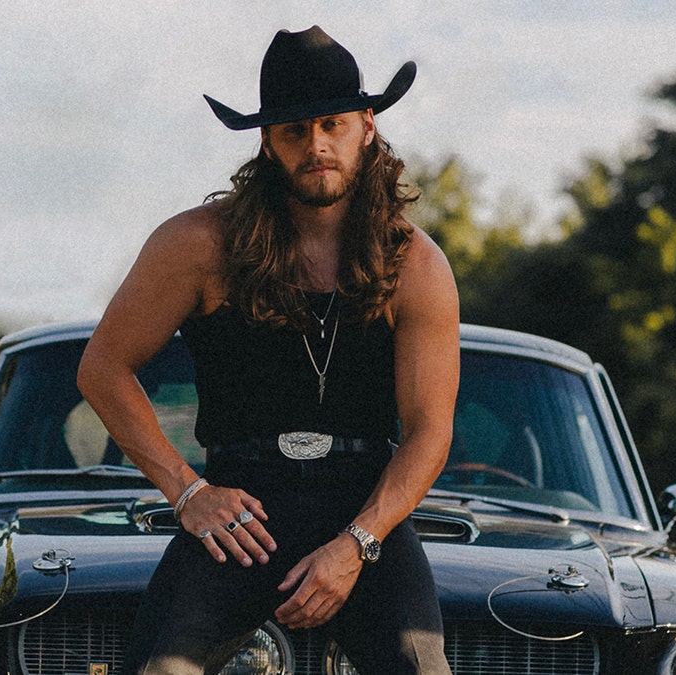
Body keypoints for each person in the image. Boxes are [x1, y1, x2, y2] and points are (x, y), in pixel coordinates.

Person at [78, 25, 459, 675]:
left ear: (366, 126)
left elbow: (428, 431)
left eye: (331, 125)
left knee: (418, 667)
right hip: (240, 509)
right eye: (293, 132)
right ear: (266, 142)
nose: (316, 146)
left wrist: (358, 542)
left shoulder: (415, 263)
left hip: (364, 505)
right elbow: (102, 368)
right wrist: (188, 490)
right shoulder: (198, 244)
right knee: (160, 669)